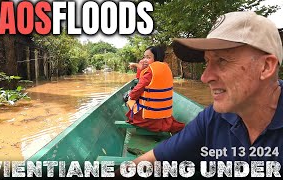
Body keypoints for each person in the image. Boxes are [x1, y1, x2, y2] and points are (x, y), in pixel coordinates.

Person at [119, 11, 283, 176]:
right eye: (207, 62)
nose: (205, 77)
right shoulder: (214, 117)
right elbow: (153, 160)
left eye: (222, 61)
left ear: (266, 67)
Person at [125, 46, 185, 133]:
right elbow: (141, 78)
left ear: (157, 58)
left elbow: (139, 87)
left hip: (148, 118)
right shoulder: (165, 68)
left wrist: (130, 97)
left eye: (148, 57)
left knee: (129, 101)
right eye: (144, 57)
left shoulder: (150, 71)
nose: (145, 60)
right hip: (163, 115)